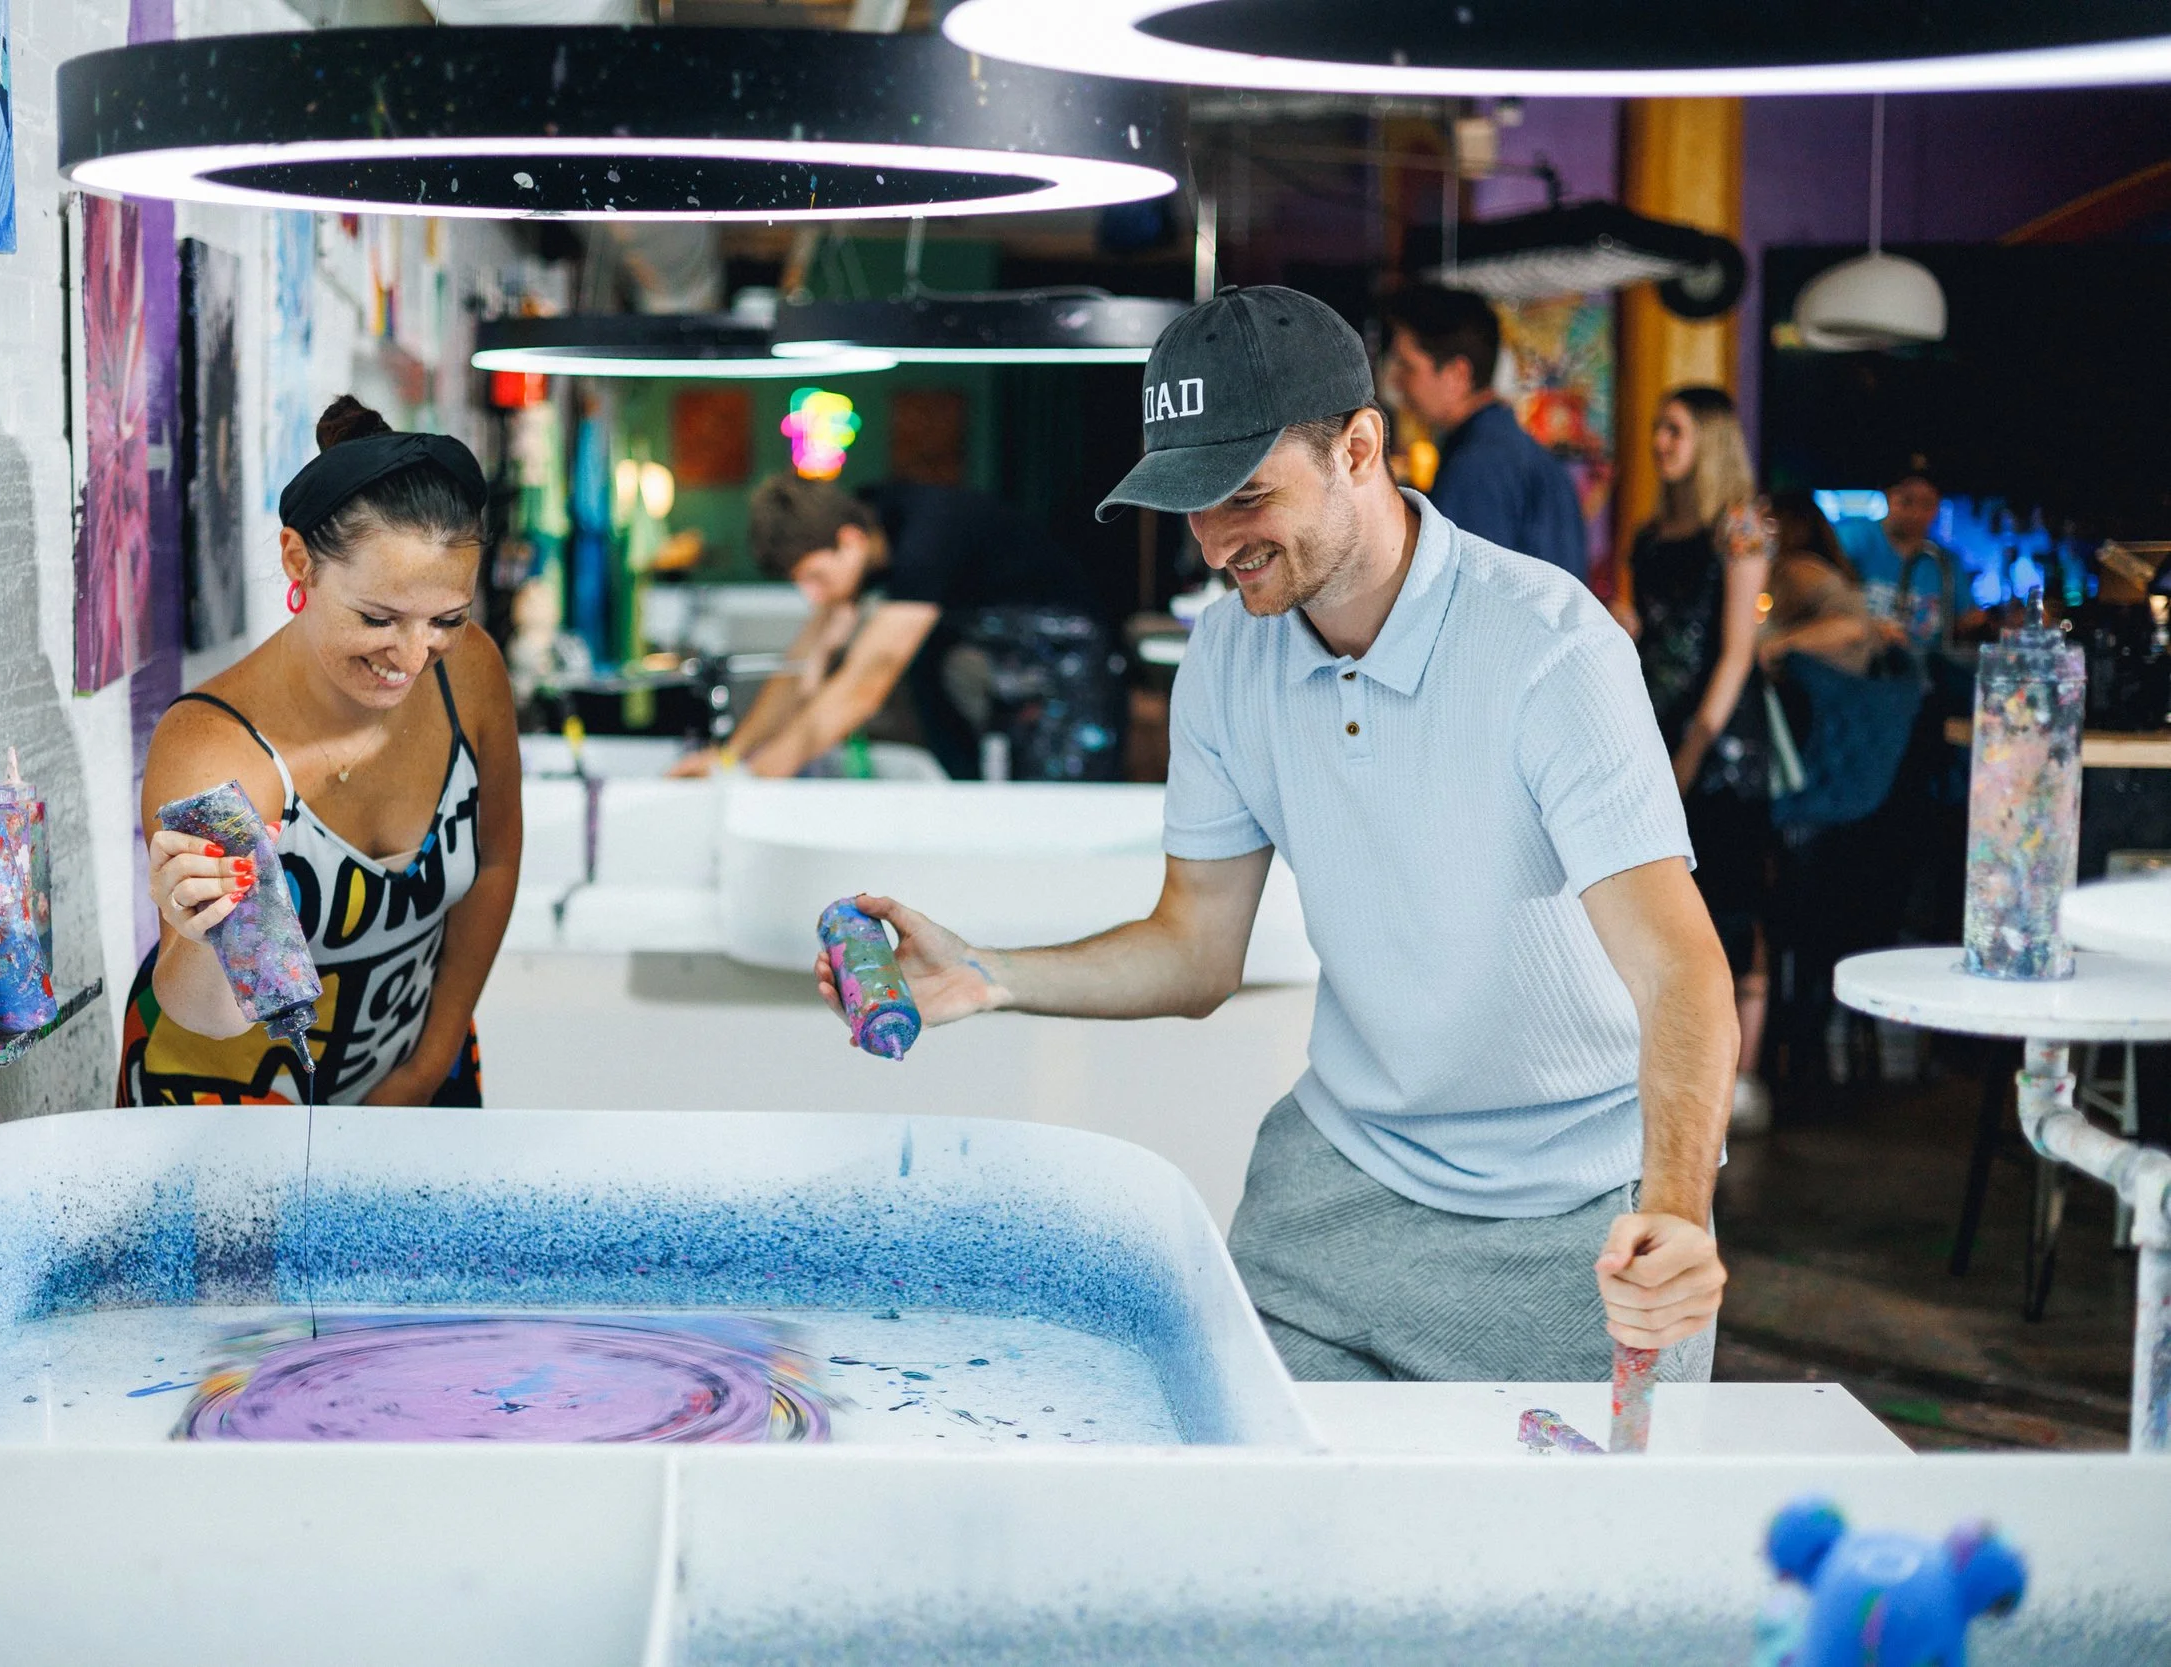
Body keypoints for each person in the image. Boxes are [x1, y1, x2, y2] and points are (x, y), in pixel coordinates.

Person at [818, 287, 1732, 1384]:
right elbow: (1196, 947)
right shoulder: (1224, 658)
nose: (1213, 543)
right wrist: (987, 974)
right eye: (1188, 502)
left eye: (1246, 494)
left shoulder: (1550, 648)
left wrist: (1677, 1206)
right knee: (1238, 1480)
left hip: (1572, 1220)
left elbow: (1679, 968)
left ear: (1359, 448)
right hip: (1334, 1190)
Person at [121, 397, 524, 1106]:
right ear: (298, 562)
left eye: (447, 619)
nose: (412, 656)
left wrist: (428, 1065)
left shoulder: (469, 673)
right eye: (378, 617)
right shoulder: (217, 746)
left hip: (415, 1072)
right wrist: (203, 933)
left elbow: (494, 863)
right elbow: (210, 1012)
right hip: (227, 1113)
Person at [671, 477, 1100, 781]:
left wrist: (754, 779)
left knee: (1059, 799)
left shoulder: (925, 540)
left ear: (850, 541)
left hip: (1067, 652)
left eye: (816, 577)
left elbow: (865, 684)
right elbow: (799, 665)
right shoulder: (854, 522)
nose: (811, 596)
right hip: (991, 651)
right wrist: (728, 758)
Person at [1628, 386, 1774, 1134]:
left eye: (1675, 429)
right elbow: (1649, 632)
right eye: (1659, 427)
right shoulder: (1651, 533)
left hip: (1723, 745)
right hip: (1657, 726)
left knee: (1732, 911)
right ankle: (1677, 1076)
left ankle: (1737, 1085)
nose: (1660, 440)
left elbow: (1737, 655)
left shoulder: (1739, 525)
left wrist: (1690, 750)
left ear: (1710, 439)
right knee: (1663, 910)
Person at [1381, 284, 1589, 584]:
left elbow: (1459, 589)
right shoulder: (1521, 452)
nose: (1396, 381)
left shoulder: (1476, 465)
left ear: (1458, 374)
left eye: (1407, 366)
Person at [1837, 463, 1971, 655]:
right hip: (1860, 660)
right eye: (1906, 501)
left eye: (1927, 504)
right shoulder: (1853, 538)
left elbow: (1968, 619)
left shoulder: (1945, 561)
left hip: (1923, 667)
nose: (1916, 513)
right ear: (1887, 496)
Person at [1760, 493, 1876, 678]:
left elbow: (1852, 627)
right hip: (1844, 680)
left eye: (1766, 522)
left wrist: (1775, 646)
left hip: (1827, 684)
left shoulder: (1800, 570)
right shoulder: (1822, 567)